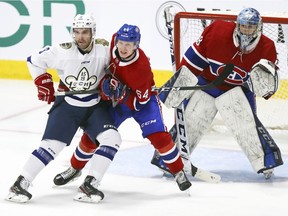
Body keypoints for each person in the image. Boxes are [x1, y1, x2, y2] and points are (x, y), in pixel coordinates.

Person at [52, 23, 192, 203]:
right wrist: (108, 85)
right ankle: (74, 168)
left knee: (159, 138)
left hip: (143, 101)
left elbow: (139, 102)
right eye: (121, 42)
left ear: (136, 45)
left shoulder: (141, 67)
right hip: (118, 101)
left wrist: (122, 93)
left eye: (129, 44)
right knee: (93, 135)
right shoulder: (112, 43)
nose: (123, 47)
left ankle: (178, 171)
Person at [151, 7, 283, 179]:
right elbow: (192, 62)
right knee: (192, 119)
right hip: (208, 85)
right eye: (244, 26)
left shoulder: (267, 47)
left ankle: (266, 162)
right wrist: (176, 88)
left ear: (259, 28)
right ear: (237, 25)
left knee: (246, 125)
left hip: (238, 91)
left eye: (251, 27)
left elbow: (264, 88)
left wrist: (263, 86)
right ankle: (168, 161)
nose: (247, 30)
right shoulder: (217, 32)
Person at [6, 14, 122, 203]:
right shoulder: (62, 51)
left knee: (112, 138)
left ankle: (89, 185)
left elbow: (119, 67)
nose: (80, 37)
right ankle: (20, 183)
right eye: (76, 32)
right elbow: (33, 60)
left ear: (93, 33)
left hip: (95, 106)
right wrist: (42, 82)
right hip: (68, 106)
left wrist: (114, 83)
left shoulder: (104, 49)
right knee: (51, 147)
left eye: (85, 32)